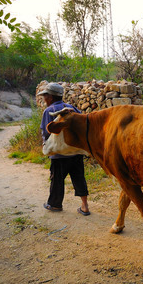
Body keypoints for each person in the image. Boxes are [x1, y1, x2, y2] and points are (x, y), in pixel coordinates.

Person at [38, 82, 90, 216]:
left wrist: (46, 145)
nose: (44, 99)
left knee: (57, 179)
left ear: (50, 97)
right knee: (79, 178)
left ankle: (55, 204)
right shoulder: (72, 108)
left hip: (59, 154)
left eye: (45, 96)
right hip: (75, 152)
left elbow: (46, 132)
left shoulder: (48, 111)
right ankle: (84, 206)